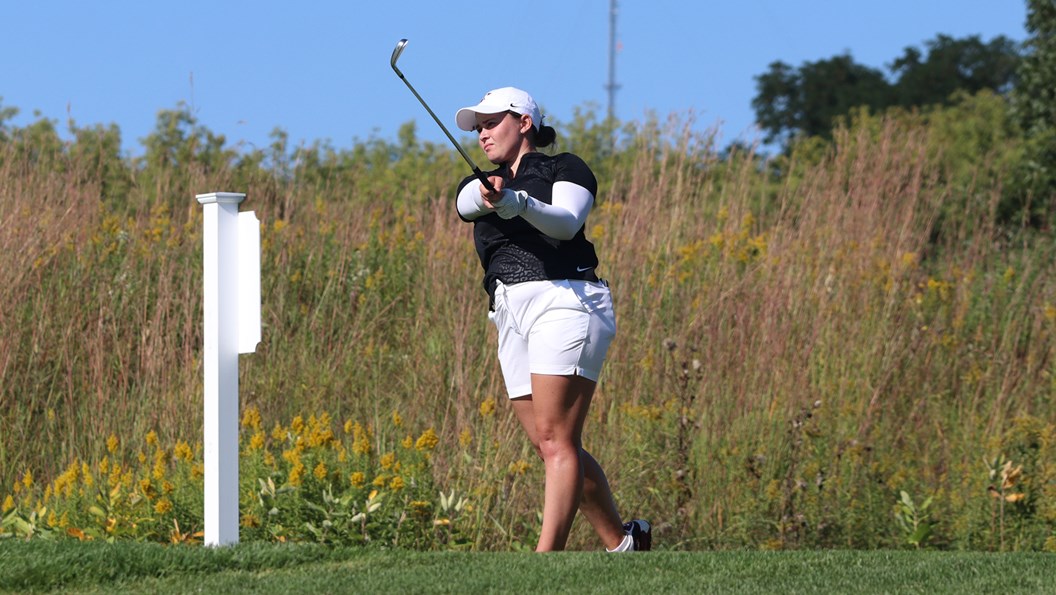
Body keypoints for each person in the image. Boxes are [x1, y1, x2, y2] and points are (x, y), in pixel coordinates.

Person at [454, 87, 650, 552]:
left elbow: (565, 222)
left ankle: (544, 563)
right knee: (550, 445)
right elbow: (464, 204)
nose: (481, 134)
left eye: (491, 122)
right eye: (477, 127)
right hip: (509, 310)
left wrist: (518, 203)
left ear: (523, 122)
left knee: (557, 438)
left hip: (567, 299)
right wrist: (493, 197)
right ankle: (624, 546)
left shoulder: (566, 166)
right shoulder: (484, 182)